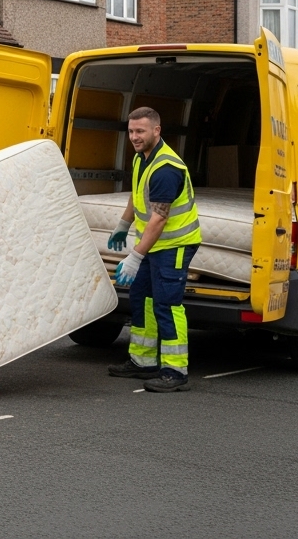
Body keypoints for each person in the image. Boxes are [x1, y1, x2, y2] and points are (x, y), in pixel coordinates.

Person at [107, 107, 202, 393]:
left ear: (156, 131)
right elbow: (138, 197)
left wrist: (135, 257)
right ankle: (142, 361)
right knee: (141, 298)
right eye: (132, 131)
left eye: (141, 131)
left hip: (174, 244)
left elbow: (159, 217)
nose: (134, 137)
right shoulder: (141, 158)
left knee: (166, 304)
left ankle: (175, 371)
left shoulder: (166, 168)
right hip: (154, 243)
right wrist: (123, 224)